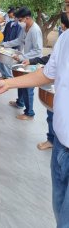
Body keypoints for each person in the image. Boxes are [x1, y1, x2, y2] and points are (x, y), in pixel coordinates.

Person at [0, 0, 69, 227]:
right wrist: (9, 84)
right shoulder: (65, 40)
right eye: (67, 5)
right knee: (58, 209)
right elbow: (47, 75)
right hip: (61, 148)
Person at [22, 12, 69, 150]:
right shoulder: (64, 38)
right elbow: (50, 62)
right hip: (62, 139)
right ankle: (52, 139)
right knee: (51, 114)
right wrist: (7, 84)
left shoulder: (36, 30)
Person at [2, 7, 43, 120]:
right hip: (25, 60)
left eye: (20, 20)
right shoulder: (25, 27)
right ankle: (20, 102)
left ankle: (29, 113)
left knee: (28, 87)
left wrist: (22, 57)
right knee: (21, 82)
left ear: (27, 18)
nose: (18, 23)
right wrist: (4, 44)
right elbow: (19, 41)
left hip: (32, 62)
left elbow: (38, 51)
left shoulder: (35, 30)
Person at [0, 10, 22, 79]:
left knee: (6, 62)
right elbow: (4, 33)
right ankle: (4, 75)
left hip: (12, 47)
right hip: (5, 44)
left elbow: (18, 39)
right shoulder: (9, 24)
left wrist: (17, 50)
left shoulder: (19, 27)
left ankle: (8, 76)